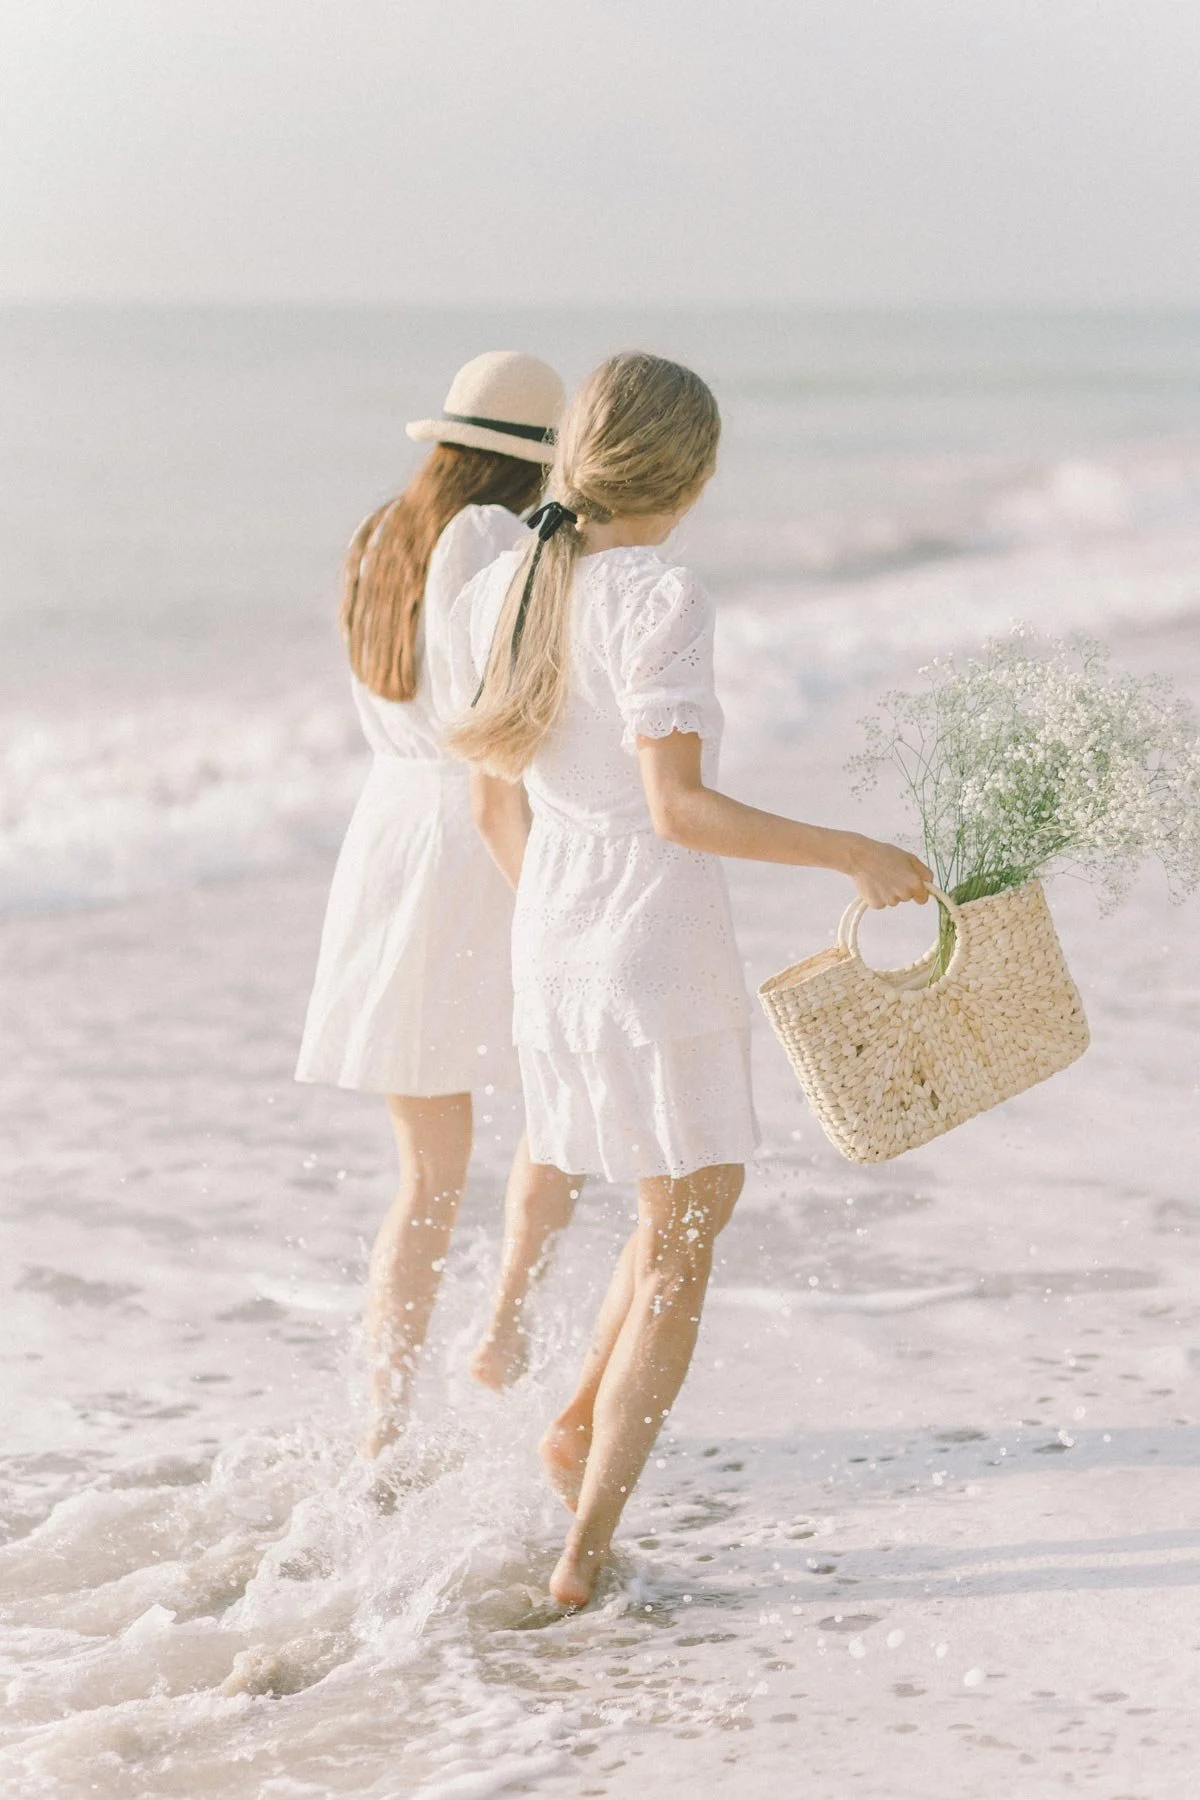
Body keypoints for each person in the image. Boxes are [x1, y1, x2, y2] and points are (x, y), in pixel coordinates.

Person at [446, 352, 930, 1604]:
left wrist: (558, 927)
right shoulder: (658, 592)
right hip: (650, 934)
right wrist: (854, 852)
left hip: (553, 930)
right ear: (697, 473)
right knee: (685, 1234)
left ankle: (571, 1427)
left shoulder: (505, 583)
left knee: (665, 1211)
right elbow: (678, 808)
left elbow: (494, 795)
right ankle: (583, 1555)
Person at [295, 351, 579, 1455]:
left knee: (424, 1173)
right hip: (477, 827)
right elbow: (499, 721)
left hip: (390, 837)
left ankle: (384, 1418)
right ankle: (504, 1324)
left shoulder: (380, 536)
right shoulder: (500, 544)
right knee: (560, 1089)